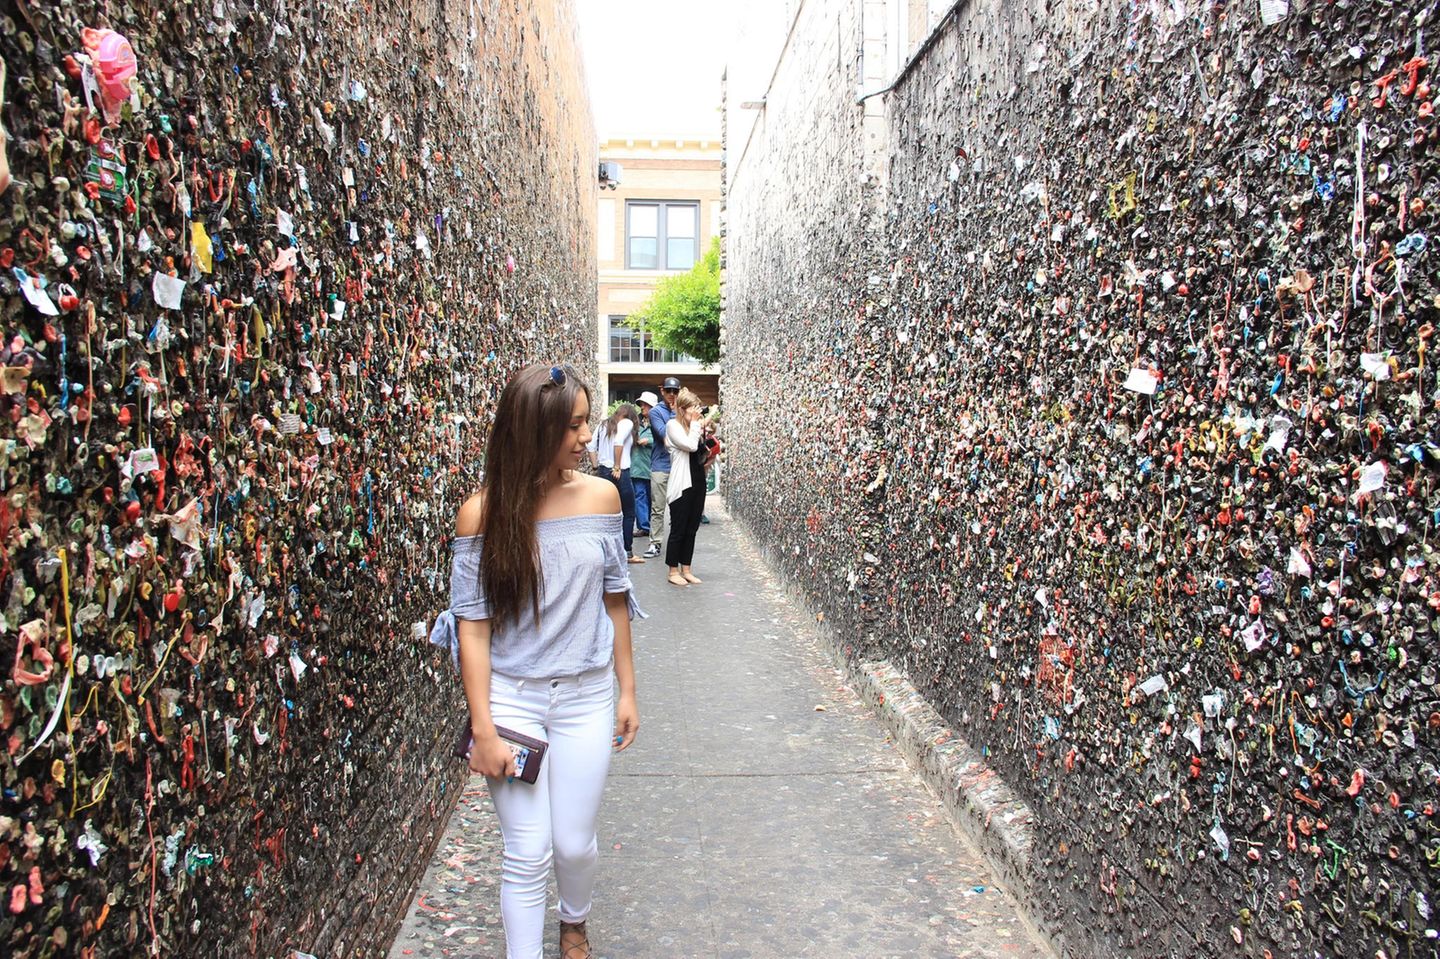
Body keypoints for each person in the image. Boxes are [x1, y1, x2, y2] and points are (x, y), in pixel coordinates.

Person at [429, 363, 642, 959]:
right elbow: (471, 630)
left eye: (586, 422)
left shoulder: (601, 496)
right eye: (573, 426)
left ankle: (573, 921)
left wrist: (627, 692)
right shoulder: (482, 513)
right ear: (534, 430)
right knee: (527, 850)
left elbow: (615, 601)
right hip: (513, 700)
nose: (585, 437)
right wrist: (483, 729)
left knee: (573, 845)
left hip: (586, 696)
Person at [664, 388, 712, 587]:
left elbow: (698, 451)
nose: (696, 411)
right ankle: (672, 570)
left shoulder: (693, 427)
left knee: (692, 527)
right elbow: (689, 446)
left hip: (698, 480)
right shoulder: (672, 425)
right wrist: (695, 425)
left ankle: (687, 568)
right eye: (693, 407)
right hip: (682, 484)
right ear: (682, 409)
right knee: (678, 528)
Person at [598, 403, 644, 563]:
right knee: (628, 512)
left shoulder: (604, 424)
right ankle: (627, 552)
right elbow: (618, 442)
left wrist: (596, 465)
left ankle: (605, 552)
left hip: (603, 471)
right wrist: (617, 466)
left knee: (605, 513)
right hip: (620, 472)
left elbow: (591, 446)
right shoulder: (627, 422)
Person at [642, 377, 680, 559]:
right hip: (661, 466)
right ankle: (655, 543)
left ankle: (676, 544)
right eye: (669, 391)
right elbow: (665, 434)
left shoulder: (681, 410)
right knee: (657, 507)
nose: (672, 395)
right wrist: (674, 414)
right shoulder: (656, 412)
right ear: (662, 391)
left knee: (678, 508)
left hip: (679, 466)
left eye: (675, 391)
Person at [632, 391, 659, 540]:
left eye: (645, 404)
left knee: (652, 498)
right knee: (640, 496)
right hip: (637, 466)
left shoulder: (658, 422)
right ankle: (644, 526)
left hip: (653, 465)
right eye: (641, 404)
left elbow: (666, 439)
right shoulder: (635, 423)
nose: (642, 407)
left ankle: (650, 525)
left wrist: (648, 441)